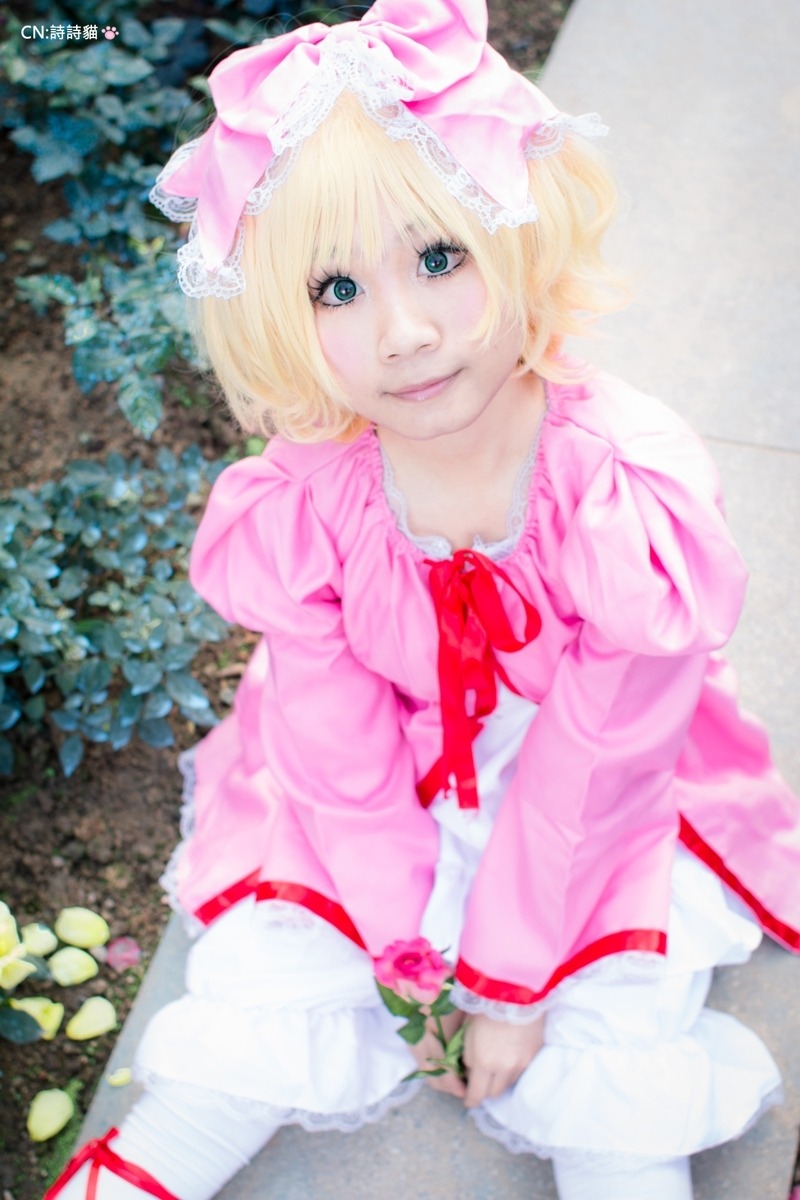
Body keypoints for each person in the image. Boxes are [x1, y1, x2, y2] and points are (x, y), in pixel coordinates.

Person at [46, 2, 800, 1198]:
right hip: (383, 790)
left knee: (606, 1059)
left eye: (438, 256)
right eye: (333, 288)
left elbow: (598, 765)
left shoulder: (613, 492)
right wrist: (407, 967)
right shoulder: (309, 497)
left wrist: (501, 985)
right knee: (260, 1014)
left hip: (591, 802)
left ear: (516, 231)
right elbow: (333, 752)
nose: (401, 332)